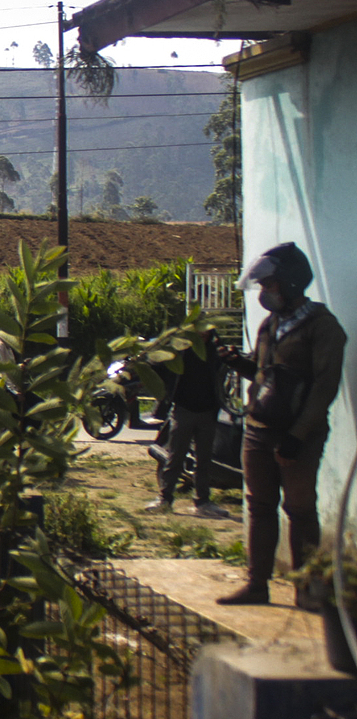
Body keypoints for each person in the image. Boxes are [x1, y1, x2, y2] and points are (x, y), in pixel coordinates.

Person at [214, 243, 347, 605]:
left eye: (269, 285)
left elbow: (324, 388)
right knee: (259, 506)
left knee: (300, 509)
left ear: (289, 283)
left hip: (298, 436)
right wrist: (234, 361)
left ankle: (308, 589)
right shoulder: (270, 325)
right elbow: (261, 371)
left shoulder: (324, 327)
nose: (264, 293)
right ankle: (257, 584)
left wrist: (297, 436)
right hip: (258, 429)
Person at [145, 323, 231, 518]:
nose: (203, 334)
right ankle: (164, 498)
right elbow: (158, 365)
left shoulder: (215, 352)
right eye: (199, 330)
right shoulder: (181, 350)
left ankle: (203, 502)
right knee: (175, 456)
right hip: (183, 410)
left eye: (206, 330)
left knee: (204, 460)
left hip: (208, 412)